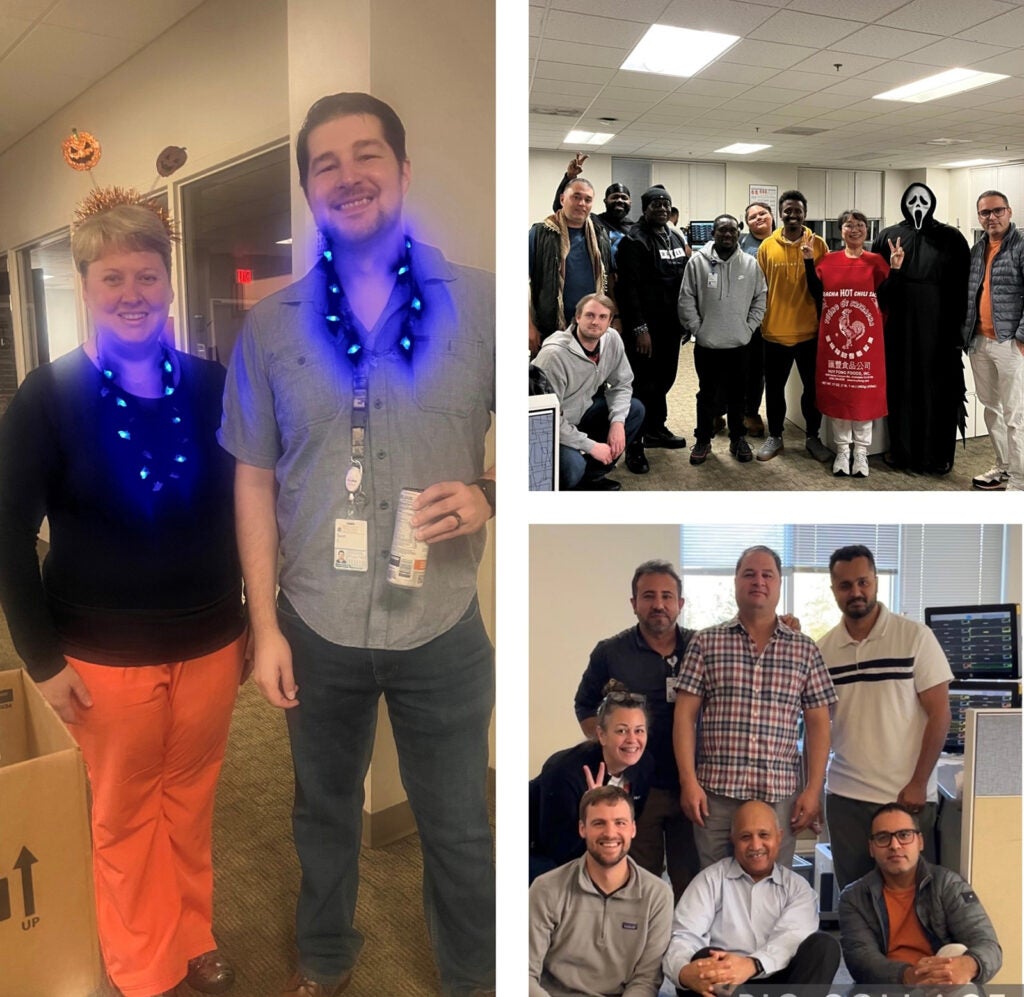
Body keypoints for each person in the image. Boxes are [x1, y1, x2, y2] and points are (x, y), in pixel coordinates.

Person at [219, 93, 495, 997]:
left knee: (458, 825)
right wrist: (264, 627)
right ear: (308, 189)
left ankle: (471, 975)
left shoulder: (484, 304)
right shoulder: (269, 328)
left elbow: (548, 442)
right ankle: (327, 957)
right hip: (316, 623)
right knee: (322, 811)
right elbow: (253, 478)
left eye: (367, 154)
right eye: (325, 164)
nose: (348, 176)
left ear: (405, 172)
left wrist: (492, 493)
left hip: (442, 623)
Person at [0, 189, 246, 997]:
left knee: (191, 796)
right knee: (124, 811)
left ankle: (193, 931)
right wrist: (39, 658)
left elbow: (247, 507)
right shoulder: (49, 394)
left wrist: (250, 620)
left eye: (147, 274)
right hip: (102, 655)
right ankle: (144, 964)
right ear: (86, 286)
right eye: (113, 278)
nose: (133, 292)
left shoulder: (213, 385)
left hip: (210, 641)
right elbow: (5, 533)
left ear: (167, 282)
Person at [672, 545, 836, 869]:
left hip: (779, 797)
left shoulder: (804, 649)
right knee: (716, 891)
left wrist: (813, 789)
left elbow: (819, 723)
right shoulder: (706, 643)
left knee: (772, 891)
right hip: (715, 797)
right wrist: (688, 782)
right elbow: (685, 717)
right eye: (749, 574)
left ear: (778, 583)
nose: (758, 581)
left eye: (767, 575)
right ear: (735, 582)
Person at [818, 545, 952, 892]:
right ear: (834, 591)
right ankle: (858, 951)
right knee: (856, 897)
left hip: (906, 796)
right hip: (845, 798)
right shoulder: (824, 650)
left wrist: (920, 782)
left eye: (863, 582)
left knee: (914, 899)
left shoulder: (915, 637)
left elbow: (940, 713)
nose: (856, 592)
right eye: (845, 585)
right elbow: (820, 726)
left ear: (876, 581)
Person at [574, 560, 698, 901]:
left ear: (680, 604)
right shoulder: (610, 652)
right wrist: (609, 749)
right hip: (639, 789)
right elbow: (584, 705)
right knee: (640, 881)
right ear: (634, 603)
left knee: (693, 882)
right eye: (648, 596)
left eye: (667, 596)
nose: (658, 604)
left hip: (695, 784)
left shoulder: (702, 647)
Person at [665, 801, 840, 995]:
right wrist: (683, 973)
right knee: (703, 958)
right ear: (733, 839)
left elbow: (792, 937)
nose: (756, 845)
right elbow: (683, 936)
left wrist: (753, 964)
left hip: (780, 978)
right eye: (745, 837)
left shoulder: (798, 888)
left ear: (779, 837)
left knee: (824, 947)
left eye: (764, 835)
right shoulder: (709, 880)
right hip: (725, 981)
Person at [529, 786, 673, 997]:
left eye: (620, 823)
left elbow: (646, 979)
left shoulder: (658, 895)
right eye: (598, 823)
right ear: (582, 829)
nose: (610, 833)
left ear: (633, 829)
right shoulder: (546, 888)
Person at [839, 803, 1002, 986]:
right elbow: (862, 961)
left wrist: (968, 965)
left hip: (943, 983)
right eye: (883, 837)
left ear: (920, 842)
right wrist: (911, 975)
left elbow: (988, 946)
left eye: (904, 835)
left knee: (956, 952)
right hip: (892, 986)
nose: (894, 845)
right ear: (871, 848)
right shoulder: (854, 897)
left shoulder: (948, 884)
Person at [874, 183, 971, 474]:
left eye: (924, 200)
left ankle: (936, 455)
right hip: (900, 325)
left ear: (933, 203)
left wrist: (959, 329)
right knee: (902, 385)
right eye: (913, 200)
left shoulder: (951, 237)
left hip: (939, 324)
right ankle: (903, 452)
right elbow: (879, 285)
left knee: (936, 386)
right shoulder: (888, 235)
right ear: (905, 203)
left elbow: (962, 285)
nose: (918, 205)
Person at [803, 210, 903, 478]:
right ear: (841, 230)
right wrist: (807, 262)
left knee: (863, 397)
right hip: (833, 343)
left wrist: (894, 269)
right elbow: (816, 292)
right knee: (839, 396)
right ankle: (842, 451)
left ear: (867, 231)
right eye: (849, 225)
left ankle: (861, 452)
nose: (855, 230)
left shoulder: (876, 263)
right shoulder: (828, 262)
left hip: (868, 347)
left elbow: (888, 298)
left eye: (860, 225)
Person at [530, 682, 653, 880]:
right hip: (540, 850)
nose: (632, 740)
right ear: (601, 735)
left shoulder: (644, 766)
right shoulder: (565, 772)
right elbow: (556, 847)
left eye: (639, 730)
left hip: (596, 849)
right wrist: (588, 810)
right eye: (621, 731)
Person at [531, 292, 645, 490]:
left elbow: (623, 383)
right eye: (590, 315)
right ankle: (569, 484)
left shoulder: (612, 339)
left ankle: (592, 478)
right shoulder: (553, 356)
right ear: (577, 318)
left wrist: (617, 422)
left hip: (583, 412)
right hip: (552, 427)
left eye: (602, 317)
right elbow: (545, 419)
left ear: (610, 321)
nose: (595, 322)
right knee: (572, 468)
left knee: (634, 409)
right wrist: (591, 446)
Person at [678, 213, 767, 466]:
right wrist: (698, 329)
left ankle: (737, 439)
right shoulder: (697, 262)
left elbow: (761, 298)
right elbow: (686, 298)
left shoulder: (750, 264)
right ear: (712, 234)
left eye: (732, 232)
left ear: (738, 234)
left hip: (740, 344)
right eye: (721, 231)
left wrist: (748, 328)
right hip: (707, 344)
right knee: (707, 394)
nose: (727, 235)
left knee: (739, 395)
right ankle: (703, 439)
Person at [617, 185, 691, 471]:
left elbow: (683, 280)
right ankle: (634, 445)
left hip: (671, 326)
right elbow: (629, 291)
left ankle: (656, 429)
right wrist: (639, 329)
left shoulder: (673, 236)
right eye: (655, 204)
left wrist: (685, 320)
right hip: (646, 328)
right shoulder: (633, 241)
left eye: (665, 204)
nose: (661, 208)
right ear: (644, 209)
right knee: (642, 385)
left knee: (665, 379)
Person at [756, 190, 831, 463]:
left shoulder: (819, 244)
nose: (792, 215)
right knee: (774, 390)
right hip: (774, 332)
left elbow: (825, 289)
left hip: (809, 333)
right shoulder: (766, 247)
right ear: (780, 213)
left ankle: (813, 437)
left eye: (797, 210)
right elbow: (758, 290)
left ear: (805, 213)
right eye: (787, 210)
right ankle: (775, 436)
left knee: (812, 390)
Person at [962, 189, 1024, 491]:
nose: (992, 217)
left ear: (1009, 212)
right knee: (991, 409)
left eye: (997, 211)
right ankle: (1002, 466)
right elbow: (971, 295)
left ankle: (1021, 480)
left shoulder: (1021, 247)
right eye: (985, 213)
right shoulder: (977, 250)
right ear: (979, 217)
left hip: (1009, 343)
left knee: (1016, 415)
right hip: (980, 342)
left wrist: (1021, 339)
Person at [530, 175, 612, 354]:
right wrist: (528, 325)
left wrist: (615, 317)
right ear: (562, 199)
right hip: (551, 327)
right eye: (576, 197)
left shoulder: (600, 235)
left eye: (587, 199)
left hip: (592, 327)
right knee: (550, 380)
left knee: (591, 378)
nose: (582, 203)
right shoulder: (540, 233)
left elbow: (610, 279)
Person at [739, 201, 775, 438]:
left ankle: (751, 412)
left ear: (772, 216)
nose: (758, 218)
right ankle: (723, 411)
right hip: (744, 316)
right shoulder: (740, 243)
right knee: (737, 368)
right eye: (752, 217)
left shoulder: (782, 241)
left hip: (774, 318)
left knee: (759, 370)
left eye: (763, 213)